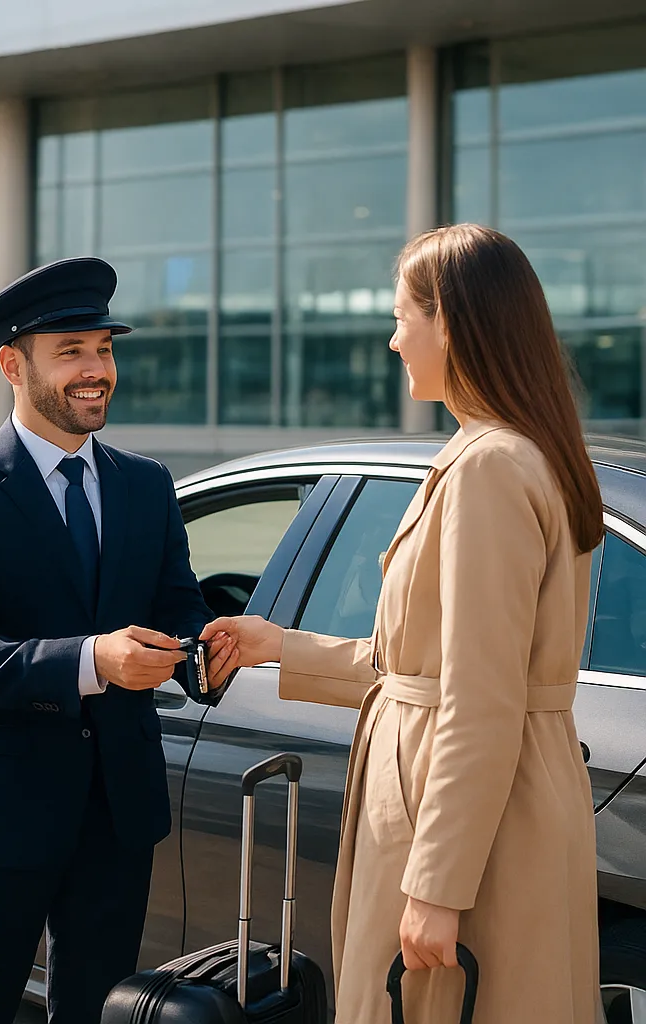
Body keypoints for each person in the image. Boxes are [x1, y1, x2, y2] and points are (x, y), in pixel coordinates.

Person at [201, 223, 604, 1023]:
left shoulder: (489, 466)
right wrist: (278, 645)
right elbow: (436, 664)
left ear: (449, 322)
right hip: (506, 802)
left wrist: (436, 887)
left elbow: (479, 695)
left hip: (463, 821)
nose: (392, 341)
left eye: (401, 318)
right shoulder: (522, 452)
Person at [0, 256, 240, 1024]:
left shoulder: (146, 484)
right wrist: (96, 661)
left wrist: (204, 654)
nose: (97, 371)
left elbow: (176, 604)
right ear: (12, 364)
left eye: (105, 350)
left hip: (117, 806)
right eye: (73, 353)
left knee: (96, 1013)